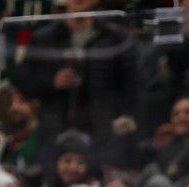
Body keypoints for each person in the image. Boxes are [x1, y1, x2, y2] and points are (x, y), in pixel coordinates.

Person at [12, 0, 137, 147]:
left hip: (103, 134)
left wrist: (125, 116)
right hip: (53, 134)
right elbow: (23, 81)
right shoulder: (44, 38)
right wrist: (52, 81)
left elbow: (133, 84)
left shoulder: (115, 38)